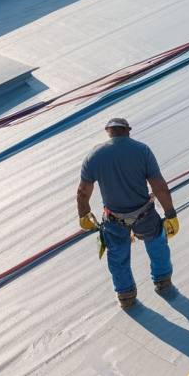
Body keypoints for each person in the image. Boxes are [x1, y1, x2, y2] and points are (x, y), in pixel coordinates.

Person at [76, 118, 179, 309]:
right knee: (157, 245)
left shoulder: (94, 156)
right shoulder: (142, 150)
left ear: (108, 131)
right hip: (144, 215)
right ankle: (163, 282)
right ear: (128, 131)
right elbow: (159, 186)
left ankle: (126, 296)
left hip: (114, 219)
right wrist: (170, 213)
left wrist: (84, 214)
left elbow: (83, 191)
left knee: (117, 257)